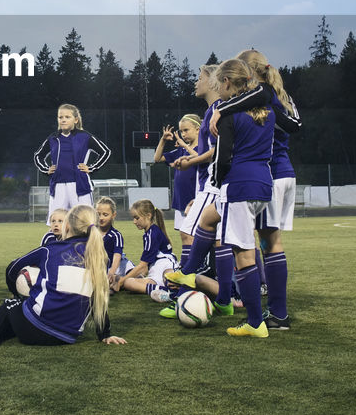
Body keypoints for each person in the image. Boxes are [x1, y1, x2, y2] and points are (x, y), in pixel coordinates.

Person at [166, 59, 275, 337]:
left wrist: (218, 180)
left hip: (238, 185)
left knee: (243, 256)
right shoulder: (267, 111)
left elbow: (223, 157)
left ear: (226, 82)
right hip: (263, 183)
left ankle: (254, 323)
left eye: (219, 83)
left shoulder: (227, 115)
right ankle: (189, 272)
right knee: (208, 217)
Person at [0, 204, 127, 347]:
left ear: (67, 226)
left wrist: (19, 295)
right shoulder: (100, 258)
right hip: (67, 337)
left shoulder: (51, 249)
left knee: (10, 306)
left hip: (36, 330)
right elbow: (98, 299)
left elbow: (12, 269)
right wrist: (105, 334)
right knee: (17, 318)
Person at [213, 48, 302, 330]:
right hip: (277, 173)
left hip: (265, 175)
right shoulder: (276, 96)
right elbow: (295, 124)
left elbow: (262, 101)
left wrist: (222, 110)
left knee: (256, 246)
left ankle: (272, 314)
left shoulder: (260, 96)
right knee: (268, 244)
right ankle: (277, 313)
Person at [33, 104, 110, 223]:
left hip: (79, 186)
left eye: (67, 117)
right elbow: (38, 155)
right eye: (60, 117)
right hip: (58, 186)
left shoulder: (84, 136)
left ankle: (85, 242)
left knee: (85, 223)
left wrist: (92, 168)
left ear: (76, 119)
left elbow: (105, 152)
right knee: (57, 225)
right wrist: (45, 169)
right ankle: (59, 242)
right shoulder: (53, 138)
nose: (63, 119)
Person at [115, 199, 178, 304]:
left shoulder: (152, 233)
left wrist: (120, 281)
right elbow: (144, 269)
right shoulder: (149, 233)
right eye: (133, 218)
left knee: (170, 278)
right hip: (154, 270)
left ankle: (172, 291)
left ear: (148, 215)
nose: (134, 222)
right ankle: (165, 291)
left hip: (165, 264)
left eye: (137, 218)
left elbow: (143, 266)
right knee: (129, 283)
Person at [95, 196, 128, 287]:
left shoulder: (116, 235)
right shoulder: (91, 233)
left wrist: (112, 272)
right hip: (100, 267)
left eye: (105, 215)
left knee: (130, 278)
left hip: (117, 266)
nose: (101, 218)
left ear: (113, 215)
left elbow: (117, 255)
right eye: (98, 214)